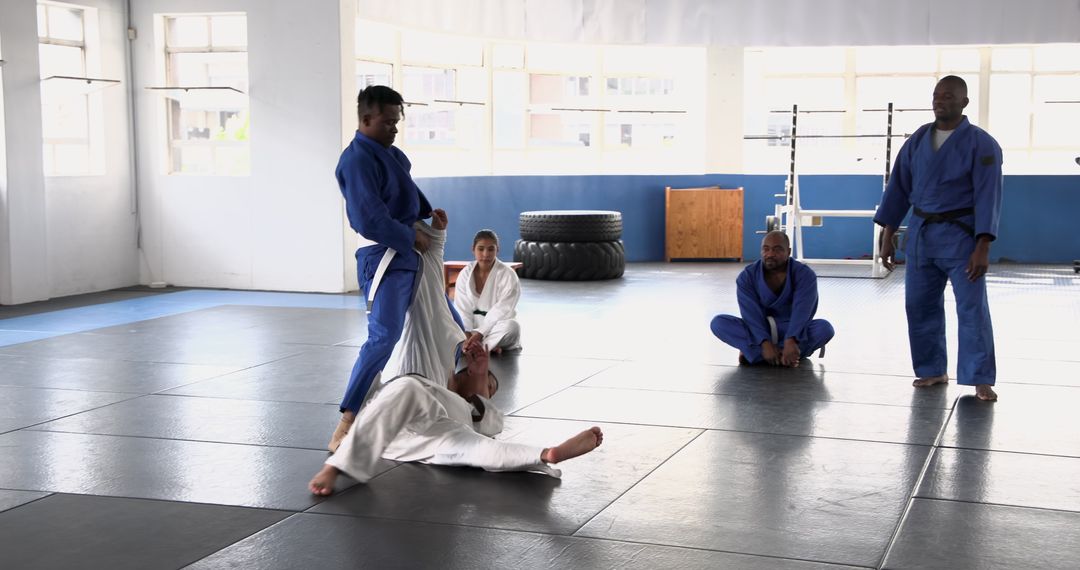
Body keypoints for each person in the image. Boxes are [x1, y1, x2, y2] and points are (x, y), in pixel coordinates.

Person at [308, 344, 604, 495]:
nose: (487, 388)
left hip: (430, 430)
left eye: (490, 388)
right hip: (406, 418)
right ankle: (338, 465)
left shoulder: (472, 410)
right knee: (408, 388)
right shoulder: (435, 381)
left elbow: (487, 422)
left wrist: (480, 374)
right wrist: (478, 371)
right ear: (460, 376)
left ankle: (547, 454)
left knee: (480, 447)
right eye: (487, 384)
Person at [875, 75, 1003, 402]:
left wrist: (983, 245)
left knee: (972, 308)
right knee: (919, 305)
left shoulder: (982, 144)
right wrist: (888, 234)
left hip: (962, 237)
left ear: (964, 102)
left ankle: (980, 378)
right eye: (936, 95)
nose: (939, 100)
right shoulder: (918, 140)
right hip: (922, 235)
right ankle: (932, 369)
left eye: (948, 95)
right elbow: (898, 187)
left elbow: (988, 195)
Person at [330, 85, 434, 452]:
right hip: (383, 258)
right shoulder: (356, 160)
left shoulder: (392, 154)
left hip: (411, 254)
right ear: (365, 119)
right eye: (387, 122)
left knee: (449, 327)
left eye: (396, 122)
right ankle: (347, 422)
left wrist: (428, 216)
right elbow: (368, 218)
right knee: (385, 335)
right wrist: (409, 235)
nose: (394, 128)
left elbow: (406, 195)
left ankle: (454, 404)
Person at [710, 231, 834, 367]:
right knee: (719, 323)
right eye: (766, 249)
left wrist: (792, 339)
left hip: (791, 328)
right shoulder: (748, 276)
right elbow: (751, 314)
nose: (770, 254)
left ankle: (757, 353)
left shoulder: (804, 275)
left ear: (788, 252)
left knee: (824, 329)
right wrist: (764, 342)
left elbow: (803, 311)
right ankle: (786, 355)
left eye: (777, 249)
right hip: (759, 329)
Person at [454, 229, 522, 355]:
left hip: (497, 327)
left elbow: (503, 309)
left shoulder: (508, 274)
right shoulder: (465, 274)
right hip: (470, 330)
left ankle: (476, 347)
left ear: (497, 250)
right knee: (445, 325)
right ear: (473, 249)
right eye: (481, 249)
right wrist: (467, 334)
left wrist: (480, 333)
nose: (485, 254)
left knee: (512, 328)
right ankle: (486, 346)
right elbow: (462, 309)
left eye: (491, 249)